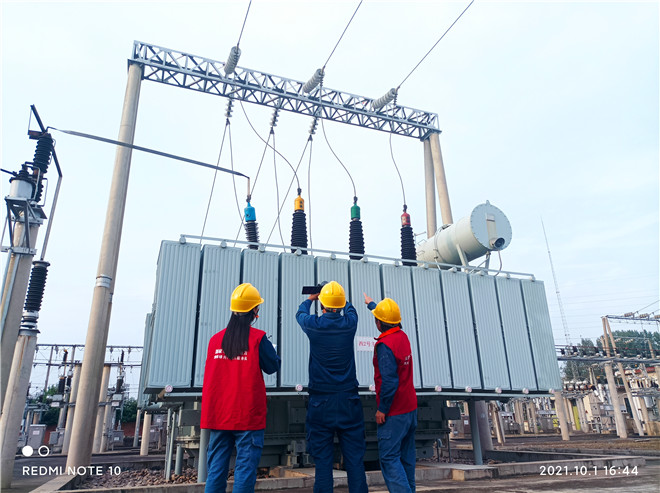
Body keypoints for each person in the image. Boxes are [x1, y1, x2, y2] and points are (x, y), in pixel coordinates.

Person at [201, 283, 281, 493]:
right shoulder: (258, 338)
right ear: (255, 310)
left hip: (219, 415)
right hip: (247, 415)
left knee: (216, 469)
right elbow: (273, 366)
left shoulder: (215, 340)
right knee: (245, 469)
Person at [296, 281, 368, 493]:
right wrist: (340, 298)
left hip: (321, 402)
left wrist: (311, 298)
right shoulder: (350, 324)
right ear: (341, 303)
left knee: (323, 462)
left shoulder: (314, 325)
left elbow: (300, 313)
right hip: (349, 400)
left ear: (322, 304)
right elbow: (351, 309)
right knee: (355, 459)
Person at [364, 293, 417, 493]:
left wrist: (382, 409)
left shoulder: (385, 346)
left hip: (394, 412)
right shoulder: (402, 336)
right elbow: (389, 319)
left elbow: (389, 381)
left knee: (389, 458)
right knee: (406, 459)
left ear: (379, 324)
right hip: (410, 409)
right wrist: (372, 305)